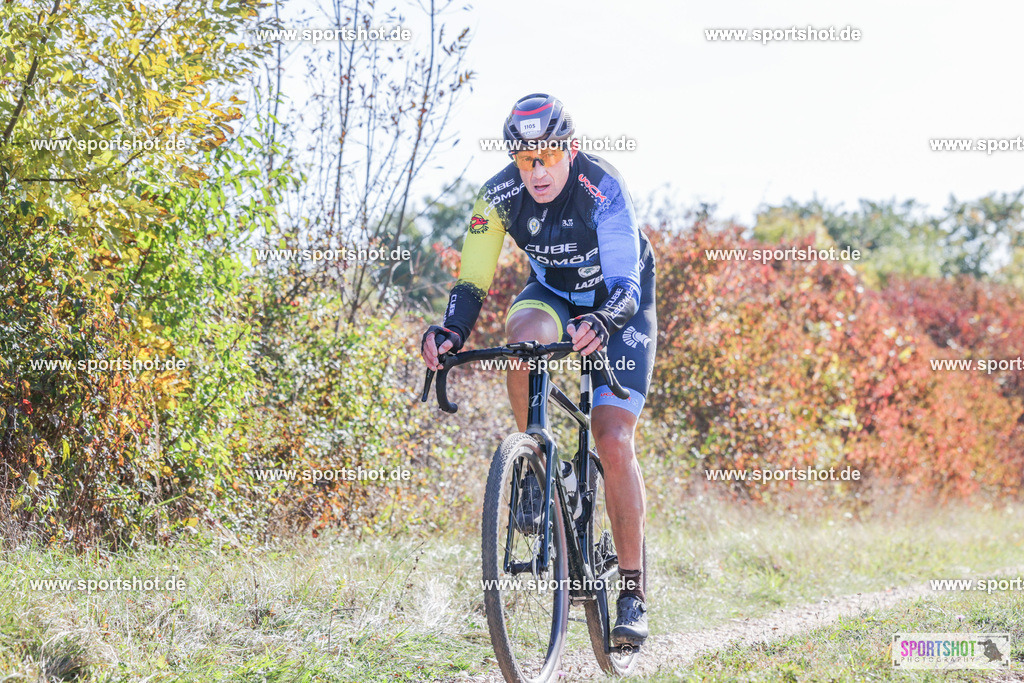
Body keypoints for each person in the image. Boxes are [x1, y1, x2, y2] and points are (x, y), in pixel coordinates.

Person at [420, 93, 657, 646]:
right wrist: (451, 331)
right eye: (525, 159)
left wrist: (604, 319)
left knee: (612, 437)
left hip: (619, 304)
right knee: (522, 340)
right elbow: (471, 280)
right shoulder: (497, 195)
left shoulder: (603, 188)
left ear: (570, 149)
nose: (537, 171)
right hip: (554, 294)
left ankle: (632, 591)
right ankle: (538, 460)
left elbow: (624, 283)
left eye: (548, 156)